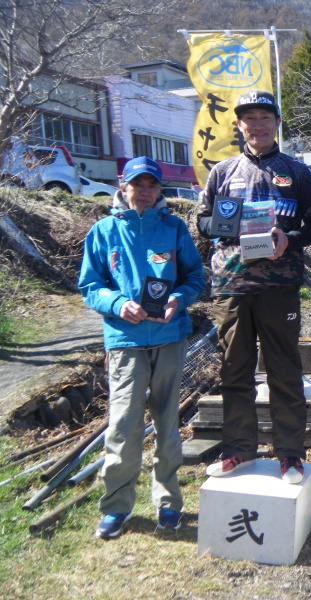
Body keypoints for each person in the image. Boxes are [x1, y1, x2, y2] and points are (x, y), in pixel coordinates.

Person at [197, 90, 311, 481]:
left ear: (276, 124)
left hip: (279, 285)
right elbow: (202, 223)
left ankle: (289, 454)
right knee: (234, 370)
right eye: (249, 118)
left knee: (284, 371)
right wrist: (232, 226)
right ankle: (240, 450)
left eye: (264, 117)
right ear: (239, 125)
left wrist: (290, 239)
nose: (257, 125)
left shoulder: (298, 172)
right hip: (233, 286)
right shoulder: (222, 172)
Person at [78, 156, 206, 539]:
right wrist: (118, 304)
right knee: (123, 426)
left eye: (151, 185)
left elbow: (194, 278)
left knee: (168, 424)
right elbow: (90, 285)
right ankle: (117, 507)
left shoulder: (174, 228)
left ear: (159, 190)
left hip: (169, 338)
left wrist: (178, 301)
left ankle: (168, 504)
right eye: (138, 185)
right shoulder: (103, 231)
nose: (145, 192)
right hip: (125, 341)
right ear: (123, 187)